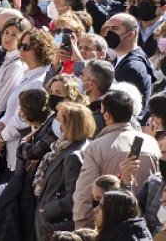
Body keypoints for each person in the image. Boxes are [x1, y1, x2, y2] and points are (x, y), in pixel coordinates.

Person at [74, 89, 162, 229]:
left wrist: (82, 229)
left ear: (107, 115)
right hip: (145, 225)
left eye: (101, 112)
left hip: (110, 225)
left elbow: (84, 193)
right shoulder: (152, 143)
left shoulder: (96, 147)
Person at [34, 101, 94, 240]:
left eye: (61, 122)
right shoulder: (69, 147)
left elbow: (74, 196)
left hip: (55, 224)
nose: (58, 126)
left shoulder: (73, 156)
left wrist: (46, 210)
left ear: (70, 125)